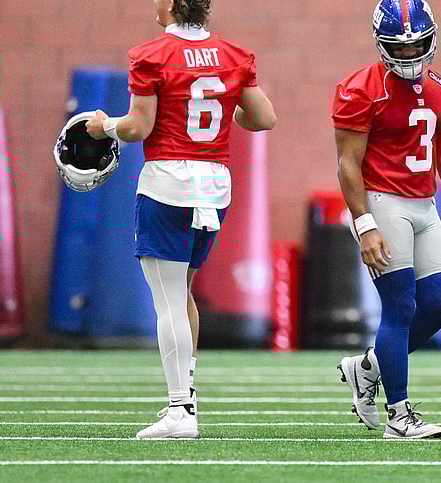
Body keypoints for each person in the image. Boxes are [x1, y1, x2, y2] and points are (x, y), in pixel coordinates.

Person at [86, 0, 276, 439]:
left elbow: (138, 127)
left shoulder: (150, 54)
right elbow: (264, 117)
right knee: (183, 294)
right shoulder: (232, 54)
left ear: (171, 5)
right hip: (214, 184)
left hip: (169, 181)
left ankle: (179, 411)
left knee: (169, 302)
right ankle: (185, 396)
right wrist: (227, 107)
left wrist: (103, 126)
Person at [332, 0, 441, 439]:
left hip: (425, 202)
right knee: (399, 307)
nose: (409, 55)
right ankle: (398, 415)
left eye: (416, 44)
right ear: (381, 46)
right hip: (382, 201)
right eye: (398, 48)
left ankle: (366, 368)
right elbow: (347, 164)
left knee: (440, 304)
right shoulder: (359, 89)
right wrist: (364, 224)